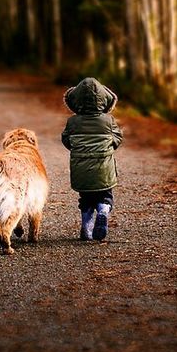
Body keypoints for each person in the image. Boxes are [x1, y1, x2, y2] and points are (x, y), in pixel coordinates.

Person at [61, 77, 123, 241]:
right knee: (105, 195)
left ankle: (86, 228)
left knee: (85, 199)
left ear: (76, 101)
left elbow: (66, 139)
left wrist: (78, 150)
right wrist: (109, 147)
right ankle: (103, 210)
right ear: (104, 100)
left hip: (81, 168)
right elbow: (117, 138)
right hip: (104, 168)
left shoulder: (72, 122)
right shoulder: (108, 121)